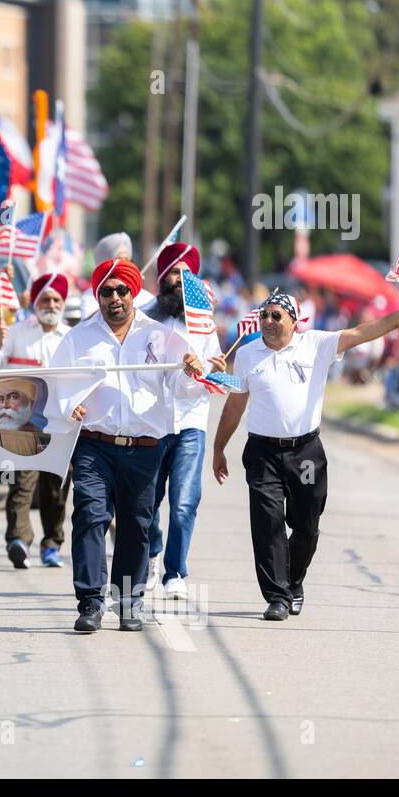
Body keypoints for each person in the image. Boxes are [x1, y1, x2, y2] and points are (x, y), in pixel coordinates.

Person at [212, 291, 399, 620]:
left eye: (275, 316)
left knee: (307, 526)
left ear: (294, 323)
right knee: (268, 525)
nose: (267, 322)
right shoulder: (248, 354)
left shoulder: (317, 344)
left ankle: (294, 581)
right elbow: (235, 405)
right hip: (262, 452)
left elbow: (361, 333)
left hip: (306, 453)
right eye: (264, 315)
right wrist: (219, 447)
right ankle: (278, 596)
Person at [50, 258, 209, 633]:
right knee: (90, 515)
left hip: (145, 446)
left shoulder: (161, 336)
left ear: (133, 292)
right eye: (106, 291)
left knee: (137, 525)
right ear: (98, 296)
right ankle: (90, 601)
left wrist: (191, 372)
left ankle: (128, 602)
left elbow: (182, 390)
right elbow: (56, 385)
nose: (115, 298)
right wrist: (70, 406)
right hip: (94, 444)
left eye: (122, 290)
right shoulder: (78, 337)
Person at [143, 243, 222, 600]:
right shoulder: (144, 317)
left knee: (184, 501)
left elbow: (213, 370)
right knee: (146, 501)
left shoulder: (203, 321)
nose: (179, 280)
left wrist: (211, 370)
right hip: (153, 421)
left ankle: (175, 572)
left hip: (191, 421)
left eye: (186, 274)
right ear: (161, 278)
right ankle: (151, 553)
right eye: (173, 273)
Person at [0, 272, 73, 569]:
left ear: (62, 303)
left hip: (60, 423)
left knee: (56, 487)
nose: (50, 303)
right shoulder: (16, 332)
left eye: (56, 299)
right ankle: (18, 540)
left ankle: (52, 545)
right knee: (22, 482)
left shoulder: (71, 338)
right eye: (45, 298)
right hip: (21, 422)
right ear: (35, 302)